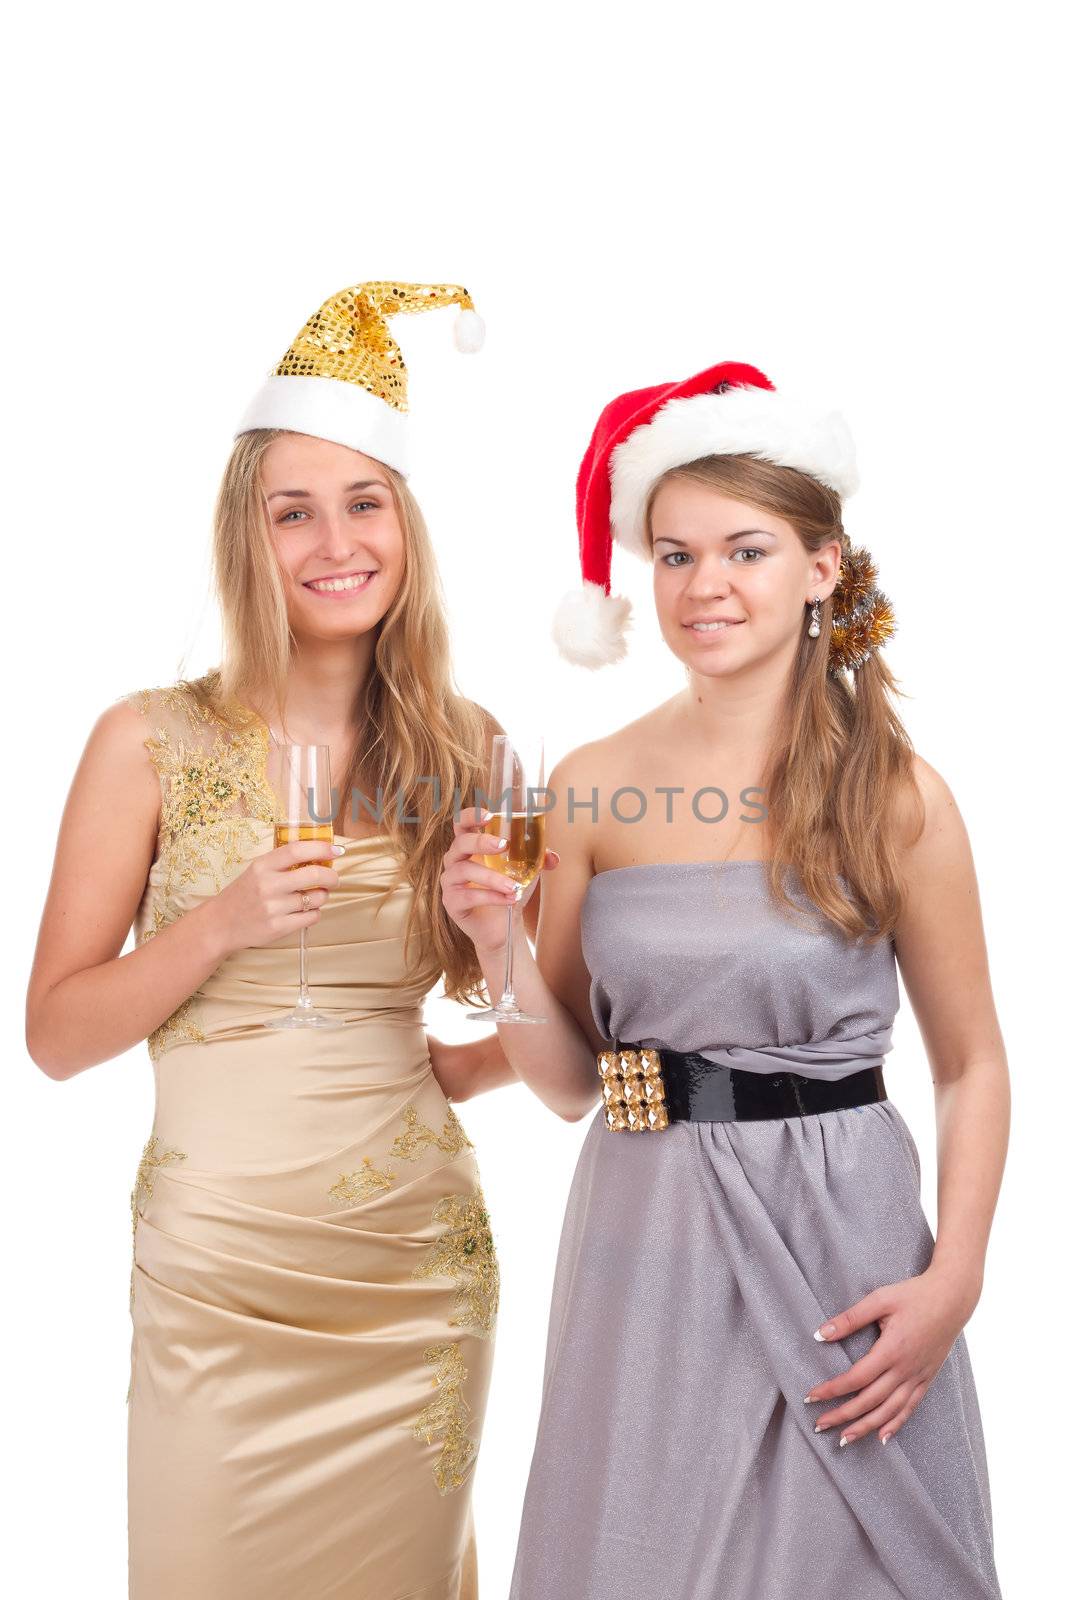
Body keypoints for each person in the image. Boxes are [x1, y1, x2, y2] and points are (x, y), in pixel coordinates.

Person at [440, 361, 1007, 1598]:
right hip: (645, 1233)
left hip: (843, 1238)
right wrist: (493, 949)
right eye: (674, 555)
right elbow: (570, 1083)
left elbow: (969, 1063)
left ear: (820, 570)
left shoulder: (896, 793)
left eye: (743, 551)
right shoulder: (590, 783)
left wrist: (950, 1280)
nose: (704, 587)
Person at [26, 280, 544, 1600]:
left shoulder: (470, 748)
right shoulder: (147, 740)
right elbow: (54, 1037)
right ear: (245, 537)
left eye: (364, 502)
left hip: (410, 1271)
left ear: (405, 527)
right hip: (217, 1274)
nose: (334, 541)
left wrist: (501, 956)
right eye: (292, 509)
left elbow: (537, 1042)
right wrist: (218, 925)